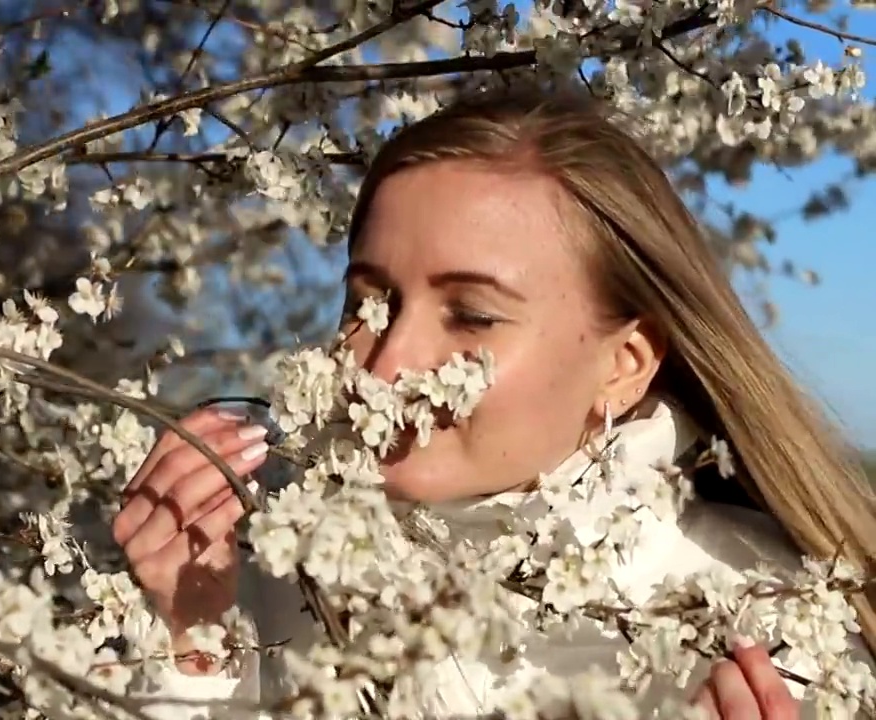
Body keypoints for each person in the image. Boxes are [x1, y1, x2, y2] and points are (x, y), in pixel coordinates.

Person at [111, 84, 876, 719]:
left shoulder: (765, 625)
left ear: (625, 364)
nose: (387, 361)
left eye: (472, 315)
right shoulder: (264, 560)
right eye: (367, 303)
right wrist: (192, 649)